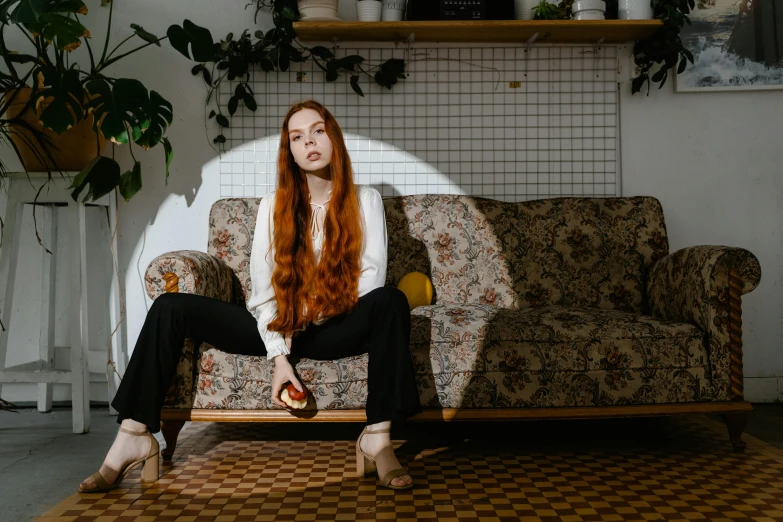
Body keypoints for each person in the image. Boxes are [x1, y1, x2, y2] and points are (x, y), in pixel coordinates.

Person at [78, 100, 422, 493]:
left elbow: (370, 279)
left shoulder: (366, 200)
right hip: (278, 327)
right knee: (169, 307)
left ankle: (378, 436)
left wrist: (310, 312)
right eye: (297, 136)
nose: (309, 141)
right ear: (289, 151)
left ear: (334, 139)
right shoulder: (273, 206)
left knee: (391, 300)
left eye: (318, 131)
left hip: (336, 327)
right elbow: (262, 293)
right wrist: (278, 354)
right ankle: (132, 435)